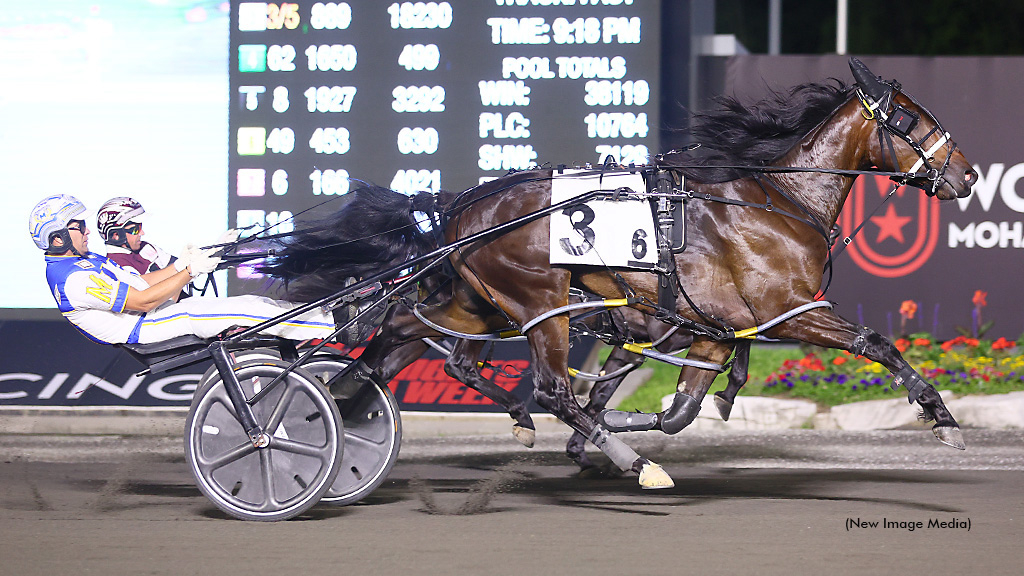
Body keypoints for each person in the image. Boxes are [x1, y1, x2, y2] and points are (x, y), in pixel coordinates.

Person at [29, 194, 337, 345]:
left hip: (151, 316)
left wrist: (183, 264)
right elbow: (143, 301)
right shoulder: (74, 280)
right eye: (77, 226)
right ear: (57, 238)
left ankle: (321, 315)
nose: (85, 230)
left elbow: (139, 282)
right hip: (144, 325)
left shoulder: (82, 261)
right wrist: (190, 272)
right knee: (239, 310)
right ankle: (333, 327)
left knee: (252, 305)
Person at [95, 196, 175, 275]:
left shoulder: (145, 247)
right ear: (116, 235)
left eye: (140, 227)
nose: (142, 233)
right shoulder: (116, 268)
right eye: (135, 229)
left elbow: (180, 265)